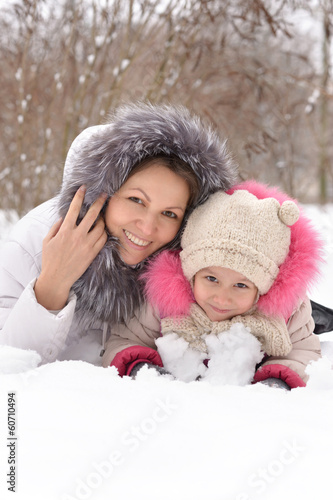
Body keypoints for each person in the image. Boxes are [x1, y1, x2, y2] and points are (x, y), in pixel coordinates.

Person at [0, 102, 237, 367]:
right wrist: (51, 287)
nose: (147, 228)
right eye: (136, 200)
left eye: (169, 214)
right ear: (103, 192)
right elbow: (9, 375)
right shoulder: (30, 243)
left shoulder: (189, 265)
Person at [141, 181, 324, 389]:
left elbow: (302, 351)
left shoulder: (288, 313)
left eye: (240, 285)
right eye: (211, 279)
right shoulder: (164, 302)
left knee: (314, 321)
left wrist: (277, 378)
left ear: (262, 289)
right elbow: (128, 338)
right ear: (190, 275)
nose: (222, 298)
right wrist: (143, 367)